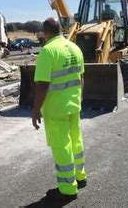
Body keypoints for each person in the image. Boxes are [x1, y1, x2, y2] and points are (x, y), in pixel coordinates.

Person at [32, 17, 87, 201]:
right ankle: (80, 176)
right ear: (61, 30)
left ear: (45, 33)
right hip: (74, 105)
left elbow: (42, 85)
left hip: (56, 109)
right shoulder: (75, 48)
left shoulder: (48, 51)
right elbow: (81, 79)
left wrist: (35, 110)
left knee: (61, 146)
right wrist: (79, 98)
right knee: (75, 140)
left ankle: (68, 188)